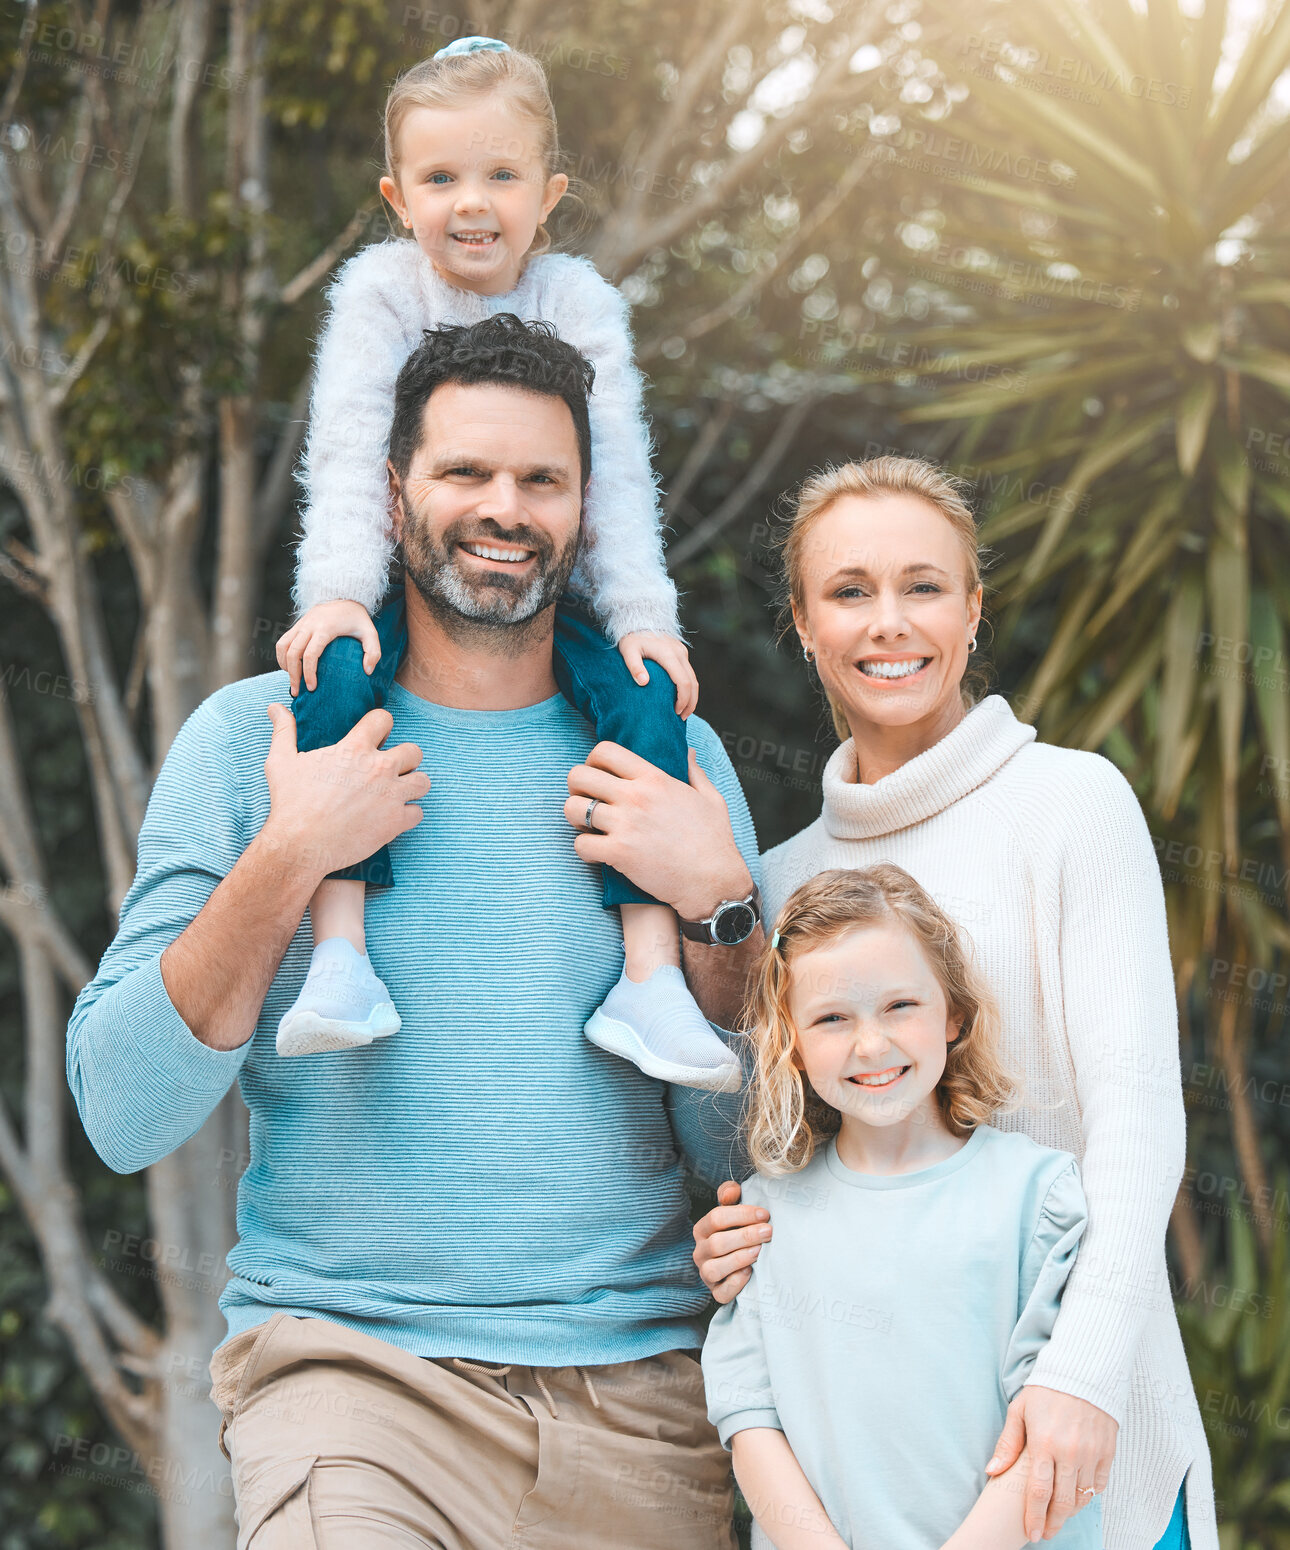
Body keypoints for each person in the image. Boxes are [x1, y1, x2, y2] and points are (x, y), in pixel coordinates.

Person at [65, 317, 766, 1549]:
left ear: (585, 509)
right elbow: (121, 1110)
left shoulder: (677, 764)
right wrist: (291, 849)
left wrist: (721, 918)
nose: (505, 507)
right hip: (352, 1384)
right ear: (393, 495)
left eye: (541, 479)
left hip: (642, 1406)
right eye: (466, 473)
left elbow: (740, 1146)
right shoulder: (249, 741)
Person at [691, 456, 1217, 1550]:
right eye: (849, 590)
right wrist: (741, 1231)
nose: (891, 623)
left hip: (1080, 1443)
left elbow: (1137, 1118)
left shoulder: (1074, 805)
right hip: (876, 1486)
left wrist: (1082, 1374)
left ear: (973, 608)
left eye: (924, 586)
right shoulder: (782, 884)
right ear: (801, 621)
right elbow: (790, 1160)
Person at [269, 35, 740, 1091]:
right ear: (397, 195)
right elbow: (350, 449)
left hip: (546, 596)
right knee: (334, 685)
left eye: (500, 176)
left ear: (549, 193)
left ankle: (651, 976)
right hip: (401, 581)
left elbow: (612, 474)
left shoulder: (579, 304)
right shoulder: (380, 295)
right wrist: (340, 594)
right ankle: (341, 954)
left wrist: (639, 613)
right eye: (440, 178)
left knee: (648, 698)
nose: (470, 203)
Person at [703, 863, 1100, 1550]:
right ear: (792, 1046)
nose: (871, 1044)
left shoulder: (1038, 1199)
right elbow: (749, 1419)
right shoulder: (766, 1220)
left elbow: (1052, 1429)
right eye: (831, 1018)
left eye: (899, 1006)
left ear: (953, 1014)